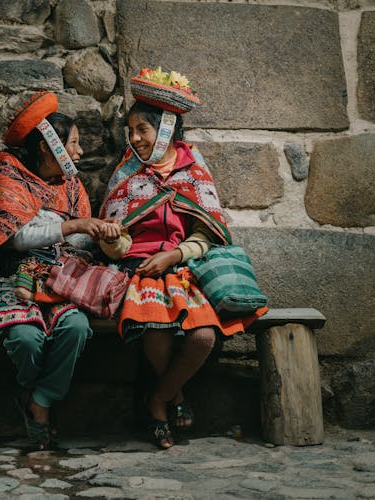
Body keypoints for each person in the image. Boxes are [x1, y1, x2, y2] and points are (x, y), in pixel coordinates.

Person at [99, 67, 266, 449]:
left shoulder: (193, 169)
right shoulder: (128, 171)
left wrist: (174, 253)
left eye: (142, 130)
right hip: (138, 270)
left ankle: (160, 395)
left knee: (203, 337)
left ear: (167, 128)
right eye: (131, 131)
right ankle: (167, 404)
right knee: (156, 331)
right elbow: (118, 237)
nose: (135, 139)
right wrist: (112, 240)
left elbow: (210, 229)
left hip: (183, 267)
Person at [0, 90, 120, 450]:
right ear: (47, 147)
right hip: (11, 278)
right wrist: (73, 227)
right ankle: (34, 391)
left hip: (61, 280)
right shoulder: (10, 177)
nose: (80, 153)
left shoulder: (72, 186)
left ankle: (38, 401)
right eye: (73, 144)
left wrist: (101, 236)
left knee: (76, 327)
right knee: (25, 339)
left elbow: (81, 242)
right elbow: (14, 237)